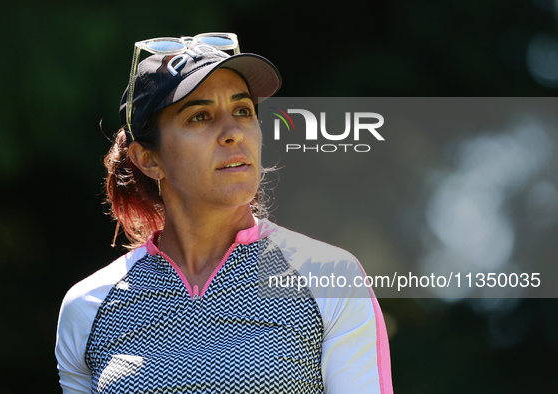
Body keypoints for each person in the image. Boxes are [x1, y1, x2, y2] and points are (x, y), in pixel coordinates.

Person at [55, 33, 394, 393]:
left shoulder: (331, 280)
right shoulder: (88, 308)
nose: (233, 132)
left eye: (243, 110)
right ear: (148, 159)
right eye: (200, 116)